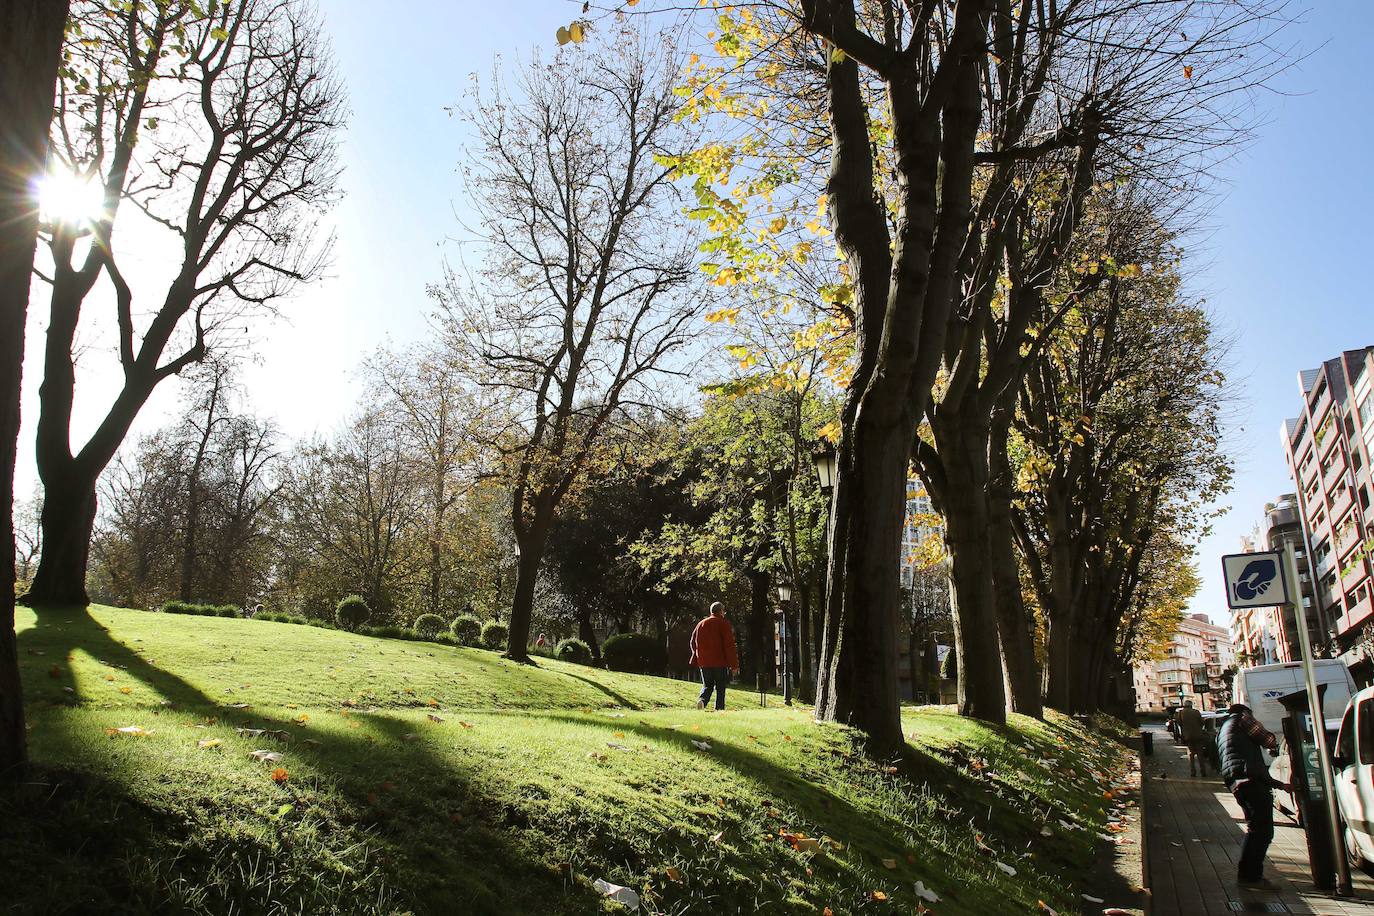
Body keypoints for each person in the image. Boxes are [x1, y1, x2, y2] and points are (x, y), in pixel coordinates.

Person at [1217, 701, 1288, 890]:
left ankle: (1248, 874)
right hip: (1249, 780)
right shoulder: (1242, 719)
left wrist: (1278, 784)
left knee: (1255, 828)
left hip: (1237, 781)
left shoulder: (1224, 727)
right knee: (1263, 831)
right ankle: (1252, 876)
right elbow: (1268, 740)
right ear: (1245, 712)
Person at [689, 601, 739, 711]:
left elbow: (692, 642)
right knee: (720, 687)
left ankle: (702, 700)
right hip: (719, 661)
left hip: (704, 662)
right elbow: (729, 645)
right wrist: (734, 665)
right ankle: (719, 709)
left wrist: (696, 655)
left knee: (707, 685)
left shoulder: (700, 624)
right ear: (721, 611)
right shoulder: (723, 623)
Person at [1176, 700, 1208, 777]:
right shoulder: (1196, 712)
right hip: (1198, 736)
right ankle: (1203, 771)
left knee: (1191, 754)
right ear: (1191, 705)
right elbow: (1202, 723)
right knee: (1200, 754)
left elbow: (1179, 723)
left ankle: (1193, 772)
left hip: (1188, 736)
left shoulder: (1181, 713)